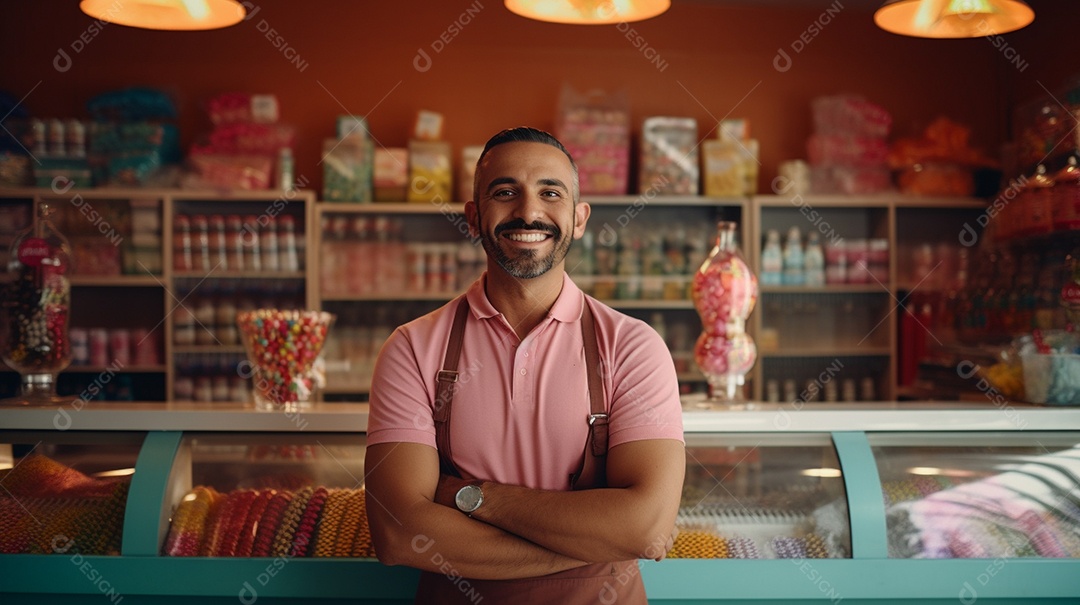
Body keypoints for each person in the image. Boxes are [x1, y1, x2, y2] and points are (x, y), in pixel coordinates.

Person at [364, 126, 685, 604]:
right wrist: (598, 540)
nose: (529, 211)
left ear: (579, 219)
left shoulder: (633, 346)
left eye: (549, 193)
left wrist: (469, 496)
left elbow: (648, 528)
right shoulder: (412, 347)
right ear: (474, 217)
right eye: (505, 192)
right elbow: (398, 534)